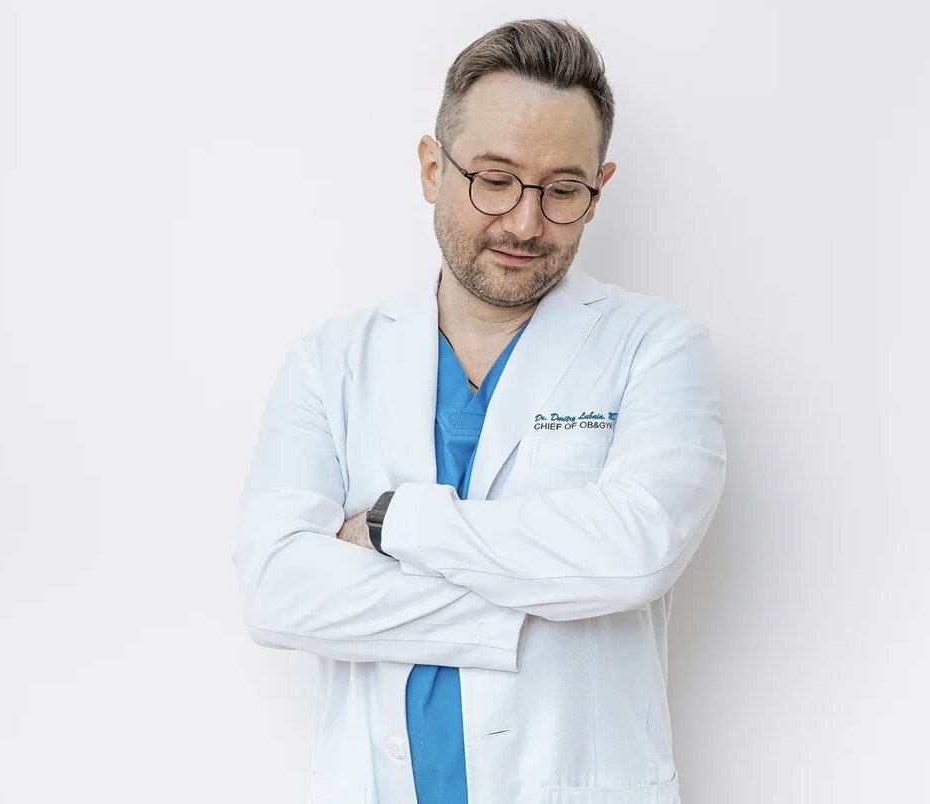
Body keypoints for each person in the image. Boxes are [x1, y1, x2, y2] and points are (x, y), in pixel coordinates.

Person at [233, 17, 728, 804]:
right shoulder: (329, 362)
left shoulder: (656, 348)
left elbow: (635, 551)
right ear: (432, 168)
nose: (525, 223)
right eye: (494, 180)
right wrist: (538, 604)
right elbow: (277, 591)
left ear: (598, 192)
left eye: (561, 191)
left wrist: (392, 525)